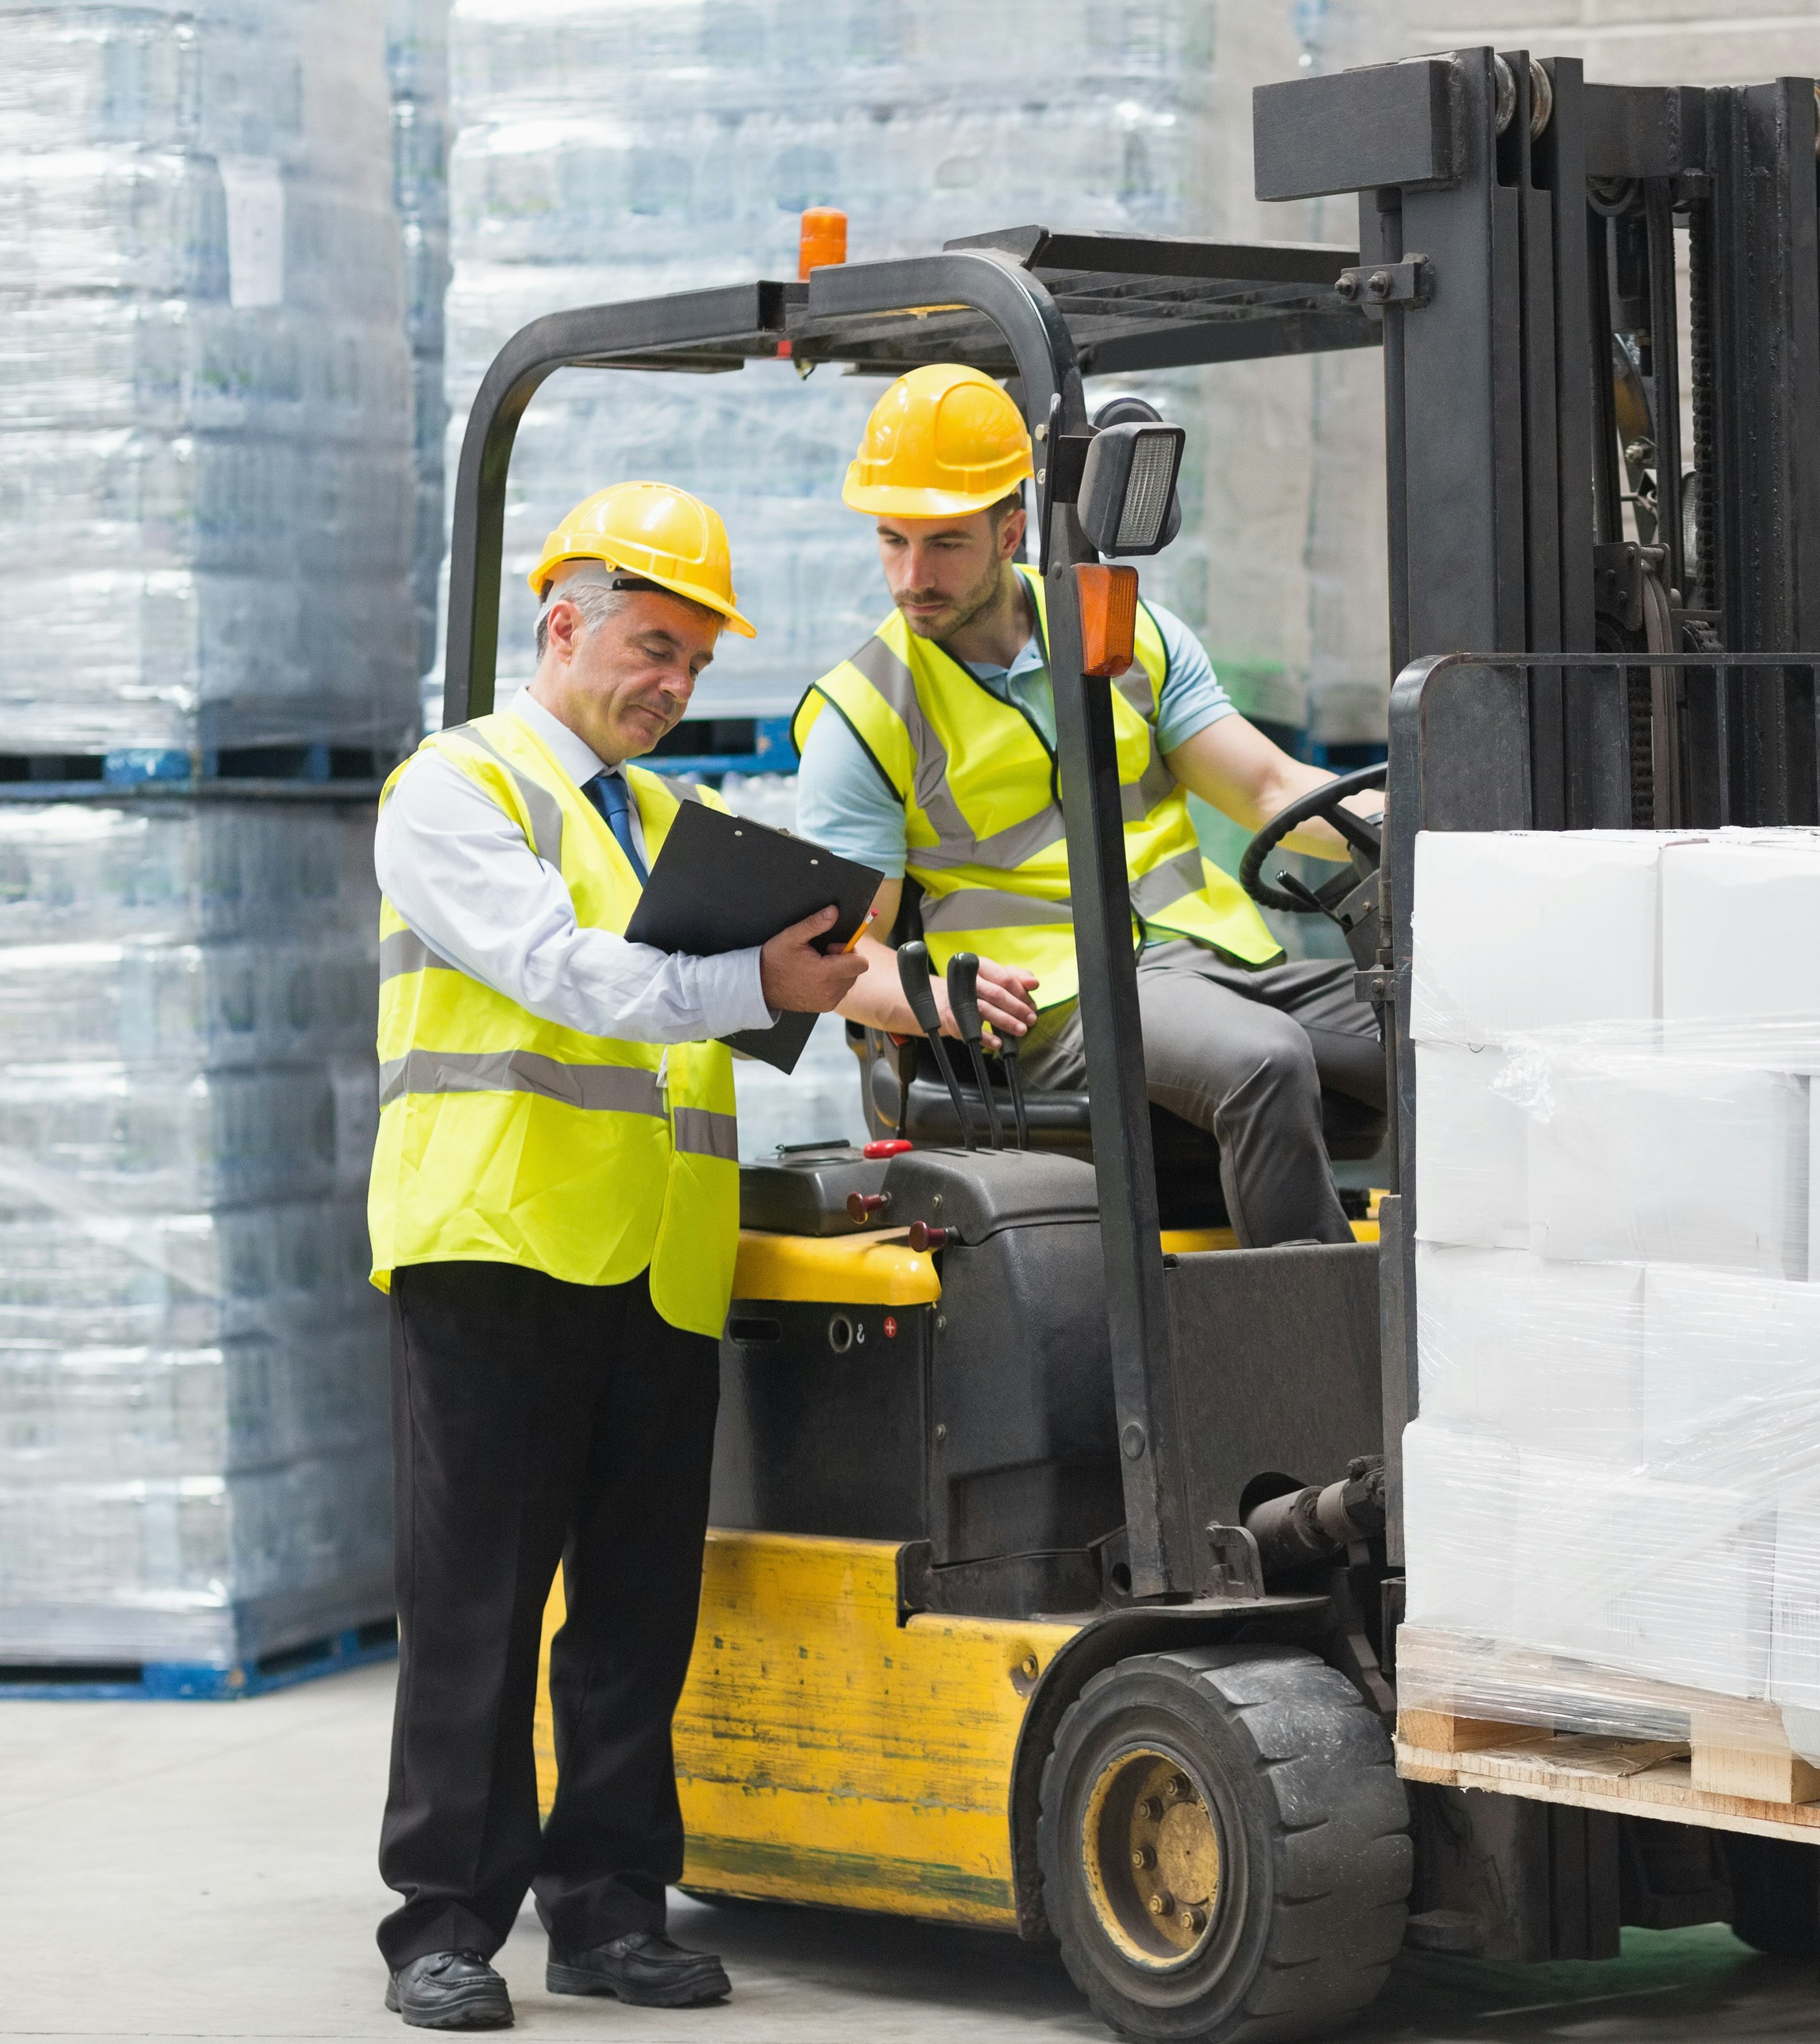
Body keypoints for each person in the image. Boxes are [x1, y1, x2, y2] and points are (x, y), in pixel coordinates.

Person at [367, 483, 870, 2029]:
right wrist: (749, 979)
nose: (674, 684)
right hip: (497, 1249)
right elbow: (561, 973)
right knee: (483, 1608)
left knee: (639, 1611)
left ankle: (608, 1913)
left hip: (654, 1259)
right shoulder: (458, 792)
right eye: (654, 646)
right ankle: (445, 1924)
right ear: (561, 624)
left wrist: (894, 996)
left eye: (697, 663)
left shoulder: (667, 823)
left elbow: (769, 994)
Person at [796, 364, 1383, 1247]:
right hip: (1057, 1000)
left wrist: (1422, 826)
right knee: (1260, 1062)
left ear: (1011, 530)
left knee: (1438, 1026)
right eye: (891, 541)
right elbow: (841, 948)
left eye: (945, 544)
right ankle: (1306, 1365)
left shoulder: (1130, 635)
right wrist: (932, 1007)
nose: (911, 576)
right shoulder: (866, 710)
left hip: (1211, 960)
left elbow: (1267, 788)